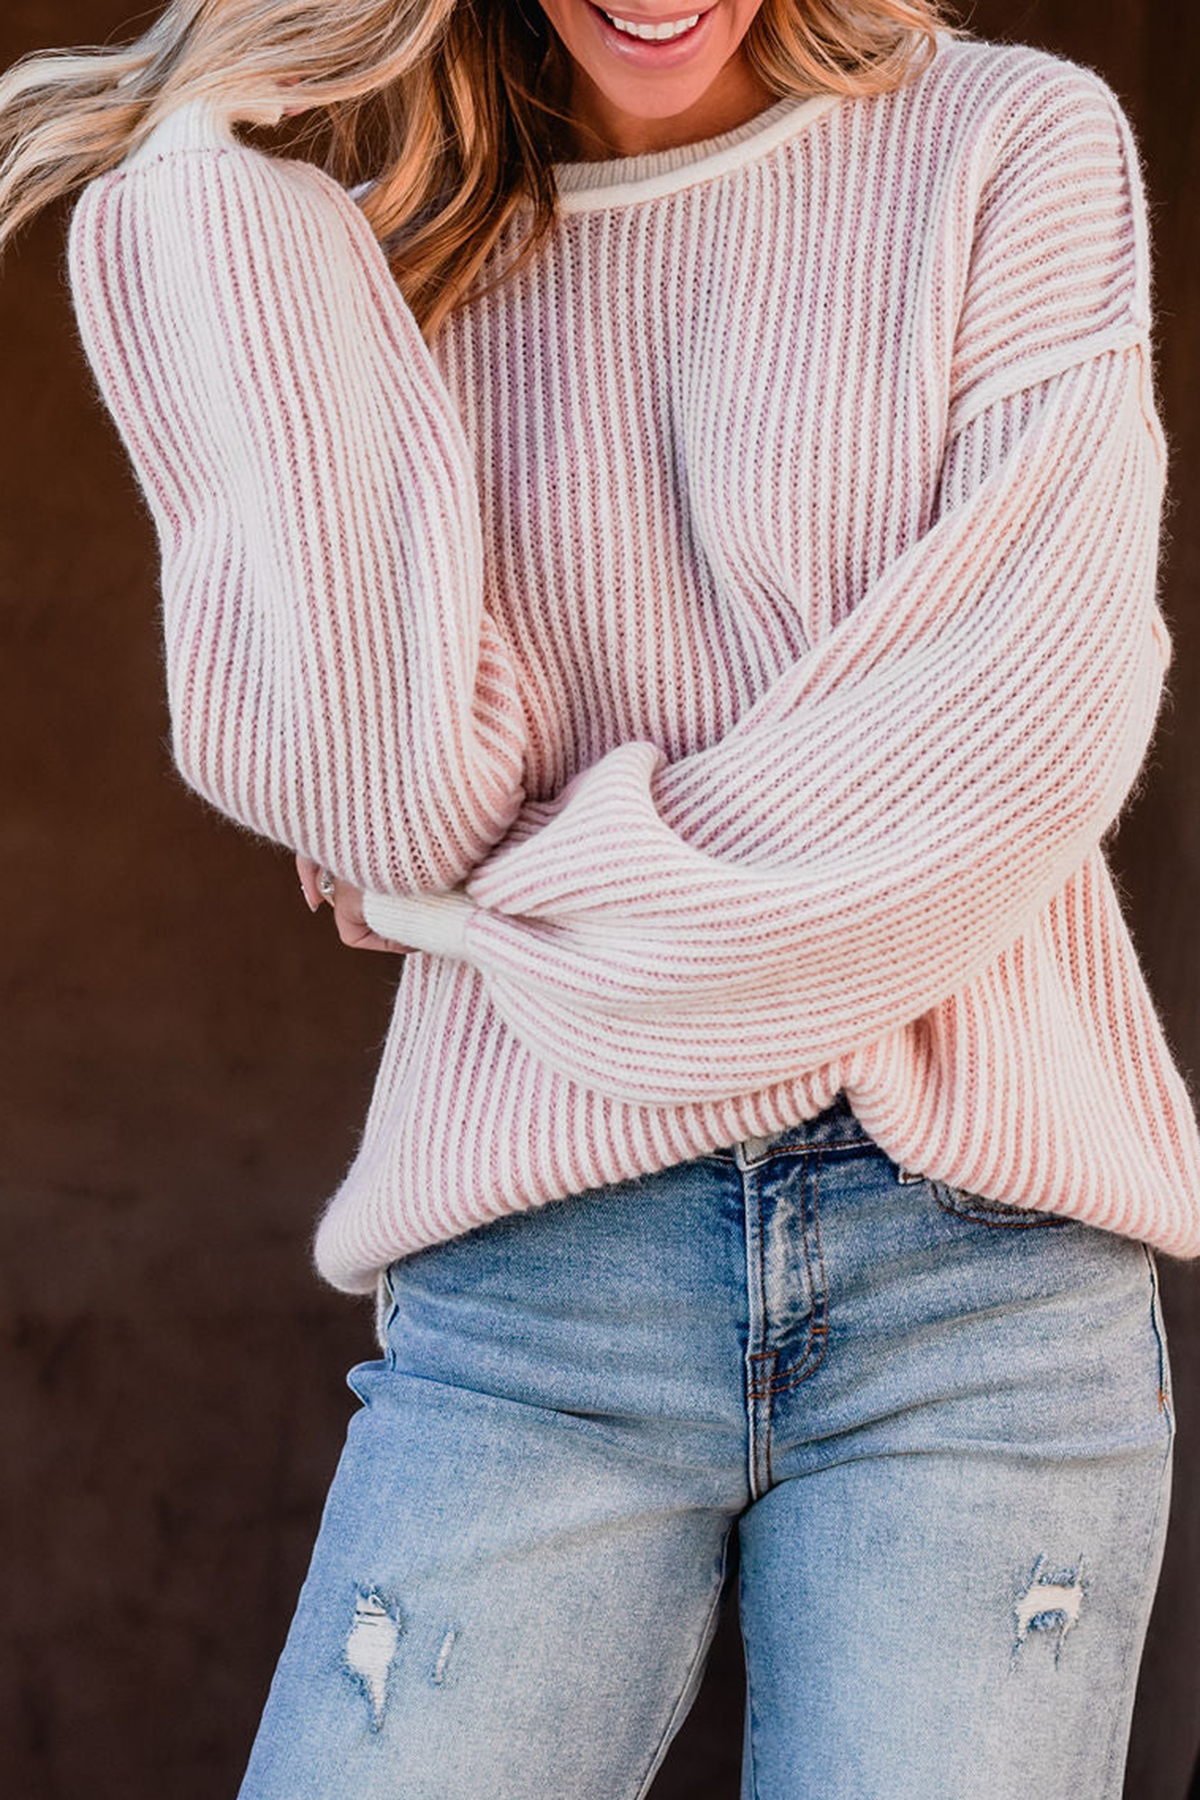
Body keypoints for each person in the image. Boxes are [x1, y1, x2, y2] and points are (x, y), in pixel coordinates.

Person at [2, 0, 1197, 1793]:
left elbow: (1021, 728)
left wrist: (494, 910)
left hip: (976, 1292)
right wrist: (202, 151)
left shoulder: (1014, 146)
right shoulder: (388, 248)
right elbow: (391, 799)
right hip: (544, 1288)